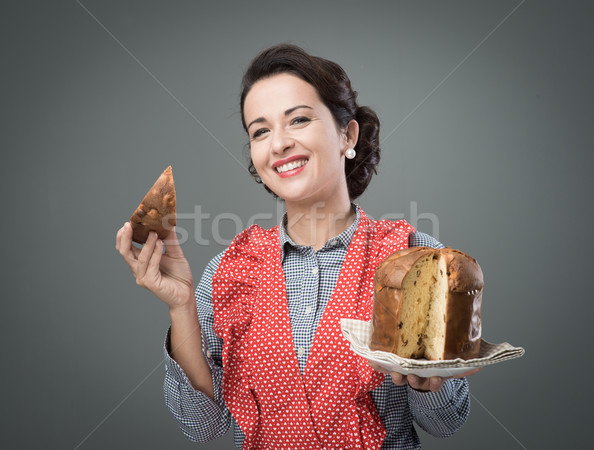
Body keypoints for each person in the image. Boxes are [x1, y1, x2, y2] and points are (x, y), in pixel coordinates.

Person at [116, 44, 480, 449]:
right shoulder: (228, 272)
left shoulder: (414, 257)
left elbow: (447, 423)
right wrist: (180, 307)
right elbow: (202, 427)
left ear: (348, 134)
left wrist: (427, 381)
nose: (279, 144)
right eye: (260, 131)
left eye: (299, 120)